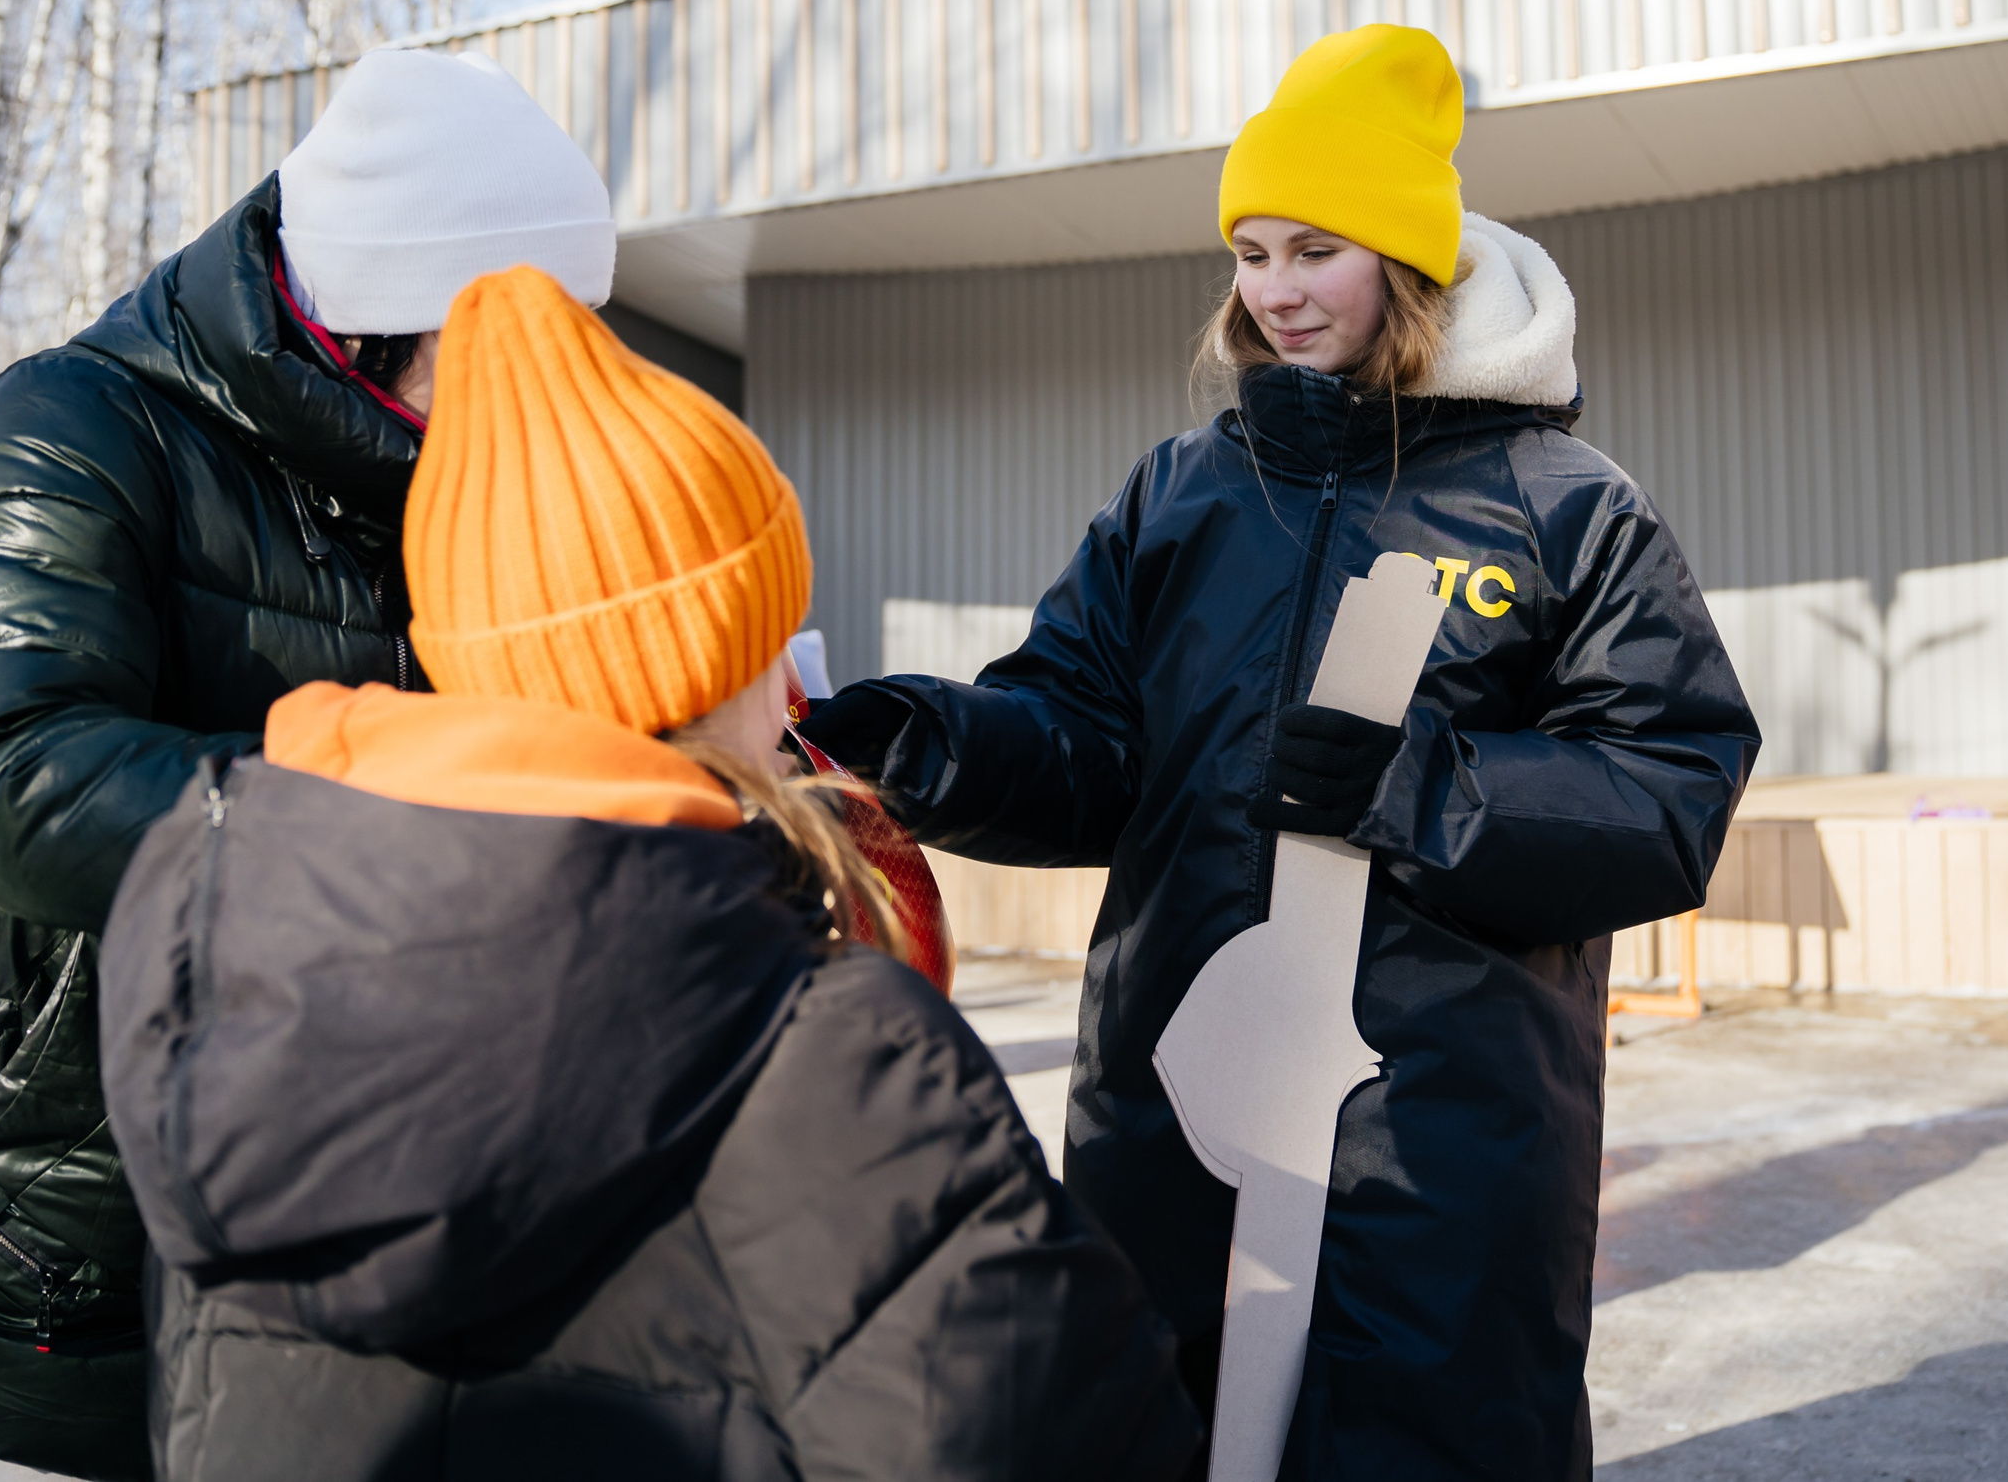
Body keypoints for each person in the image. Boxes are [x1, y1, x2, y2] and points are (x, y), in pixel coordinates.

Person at [799, 25, 1762, 1480]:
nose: (1274, 288)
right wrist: (914, 740)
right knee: (1162, 1430)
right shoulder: (1184, 492)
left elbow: (1672, 784)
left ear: (1405, 258)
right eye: (1250, 249)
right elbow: (1083, 735)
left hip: (1434, 1136)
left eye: (1316, 247)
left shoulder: (1563, 507)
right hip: (1178, 1103)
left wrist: (1424, 792)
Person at [96, 266, 1202, 1482]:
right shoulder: (834, 1059)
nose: (790, 684)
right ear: (705, 667)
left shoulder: (213, 973)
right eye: (765, 638)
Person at [0, 49, 619, 1482]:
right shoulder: (79, 422)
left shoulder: (462, 464)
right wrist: (385, 808)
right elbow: (5, 764)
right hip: (58, 1162)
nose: (548, 384)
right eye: (508, 340)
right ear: (369, 320)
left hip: (343, 1144)